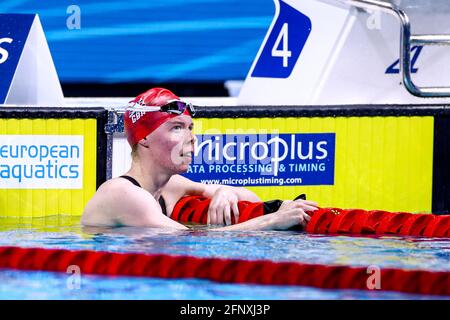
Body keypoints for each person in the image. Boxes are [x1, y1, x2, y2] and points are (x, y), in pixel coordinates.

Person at [81, 88, 318, 230]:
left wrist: (225, 190)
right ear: (144, 139)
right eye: (176, 128)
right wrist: (273, 221)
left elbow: (254, 199)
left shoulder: (169, 186)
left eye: (190, 128)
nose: (192, 138)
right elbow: (190, 241)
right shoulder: (123, 194)